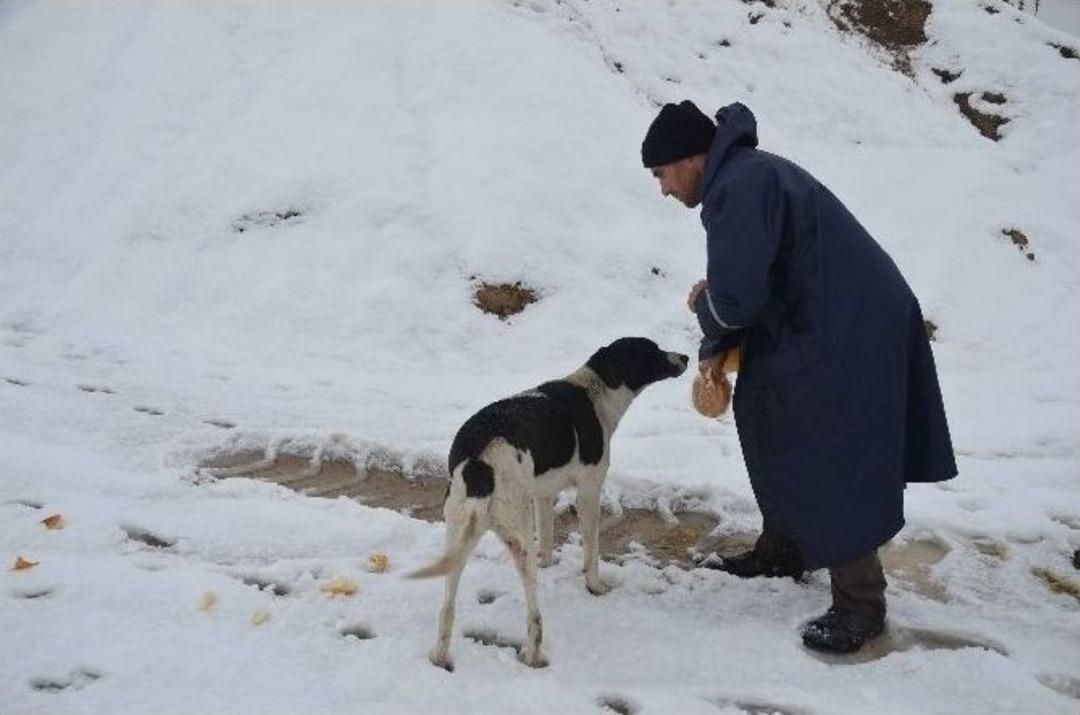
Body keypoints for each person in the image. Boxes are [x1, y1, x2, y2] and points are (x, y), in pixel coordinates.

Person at [641, 100, 957, 654]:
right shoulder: (745, 176)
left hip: (843, 327)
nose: (663, 190)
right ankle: (785, 548)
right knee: (770, 419)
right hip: (824, 317)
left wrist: (705, 304)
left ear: (691, 158)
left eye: (662, 174)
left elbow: (738, 301)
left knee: (828, 450)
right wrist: (720, 307)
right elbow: (755, 281)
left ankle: (861, 605)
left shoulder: (739, 187)